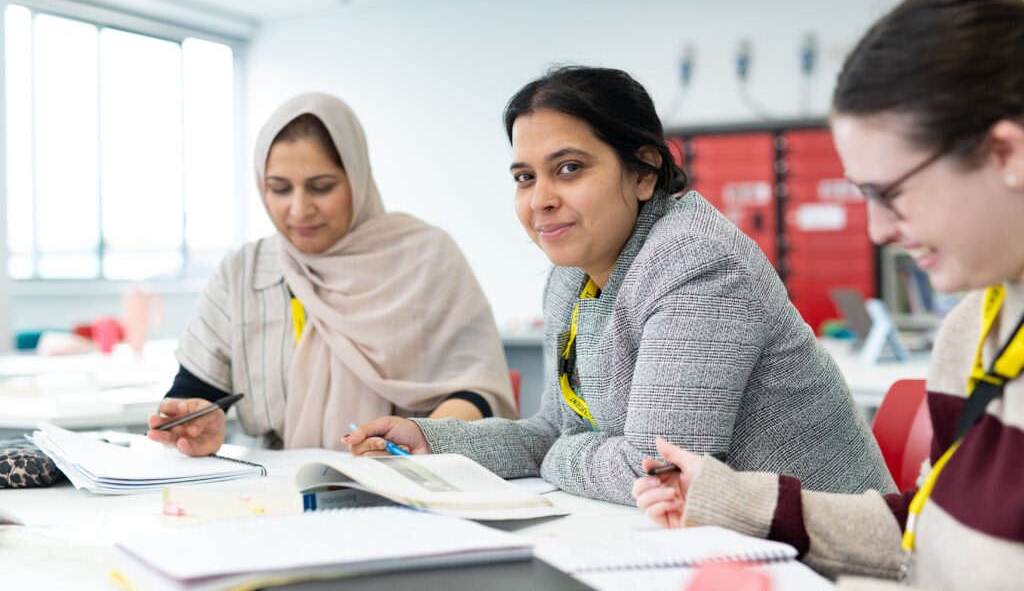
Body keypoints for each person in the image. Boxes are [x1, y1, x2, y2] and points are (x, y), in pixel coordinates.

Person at [345, 66, 893, 505]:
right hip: (701, 544)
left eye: (569, 169)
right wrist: (433, 440)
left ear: (644, 172)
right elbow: (549, 433)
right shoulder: (570, 278)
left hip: (820, 557)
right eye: (524, 176)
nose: (540, 200)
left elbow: (658, 470)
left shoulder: (695, 261)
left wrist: (563, 454)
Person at [633, 0, 1024, 590]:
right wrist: (728, 499)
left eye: (890, 192)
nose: (878, 229)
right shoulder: (973, 330)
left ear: (1005, 153)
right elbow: (926, 531)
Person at [148, 93, 517, 455]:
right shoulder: (242, 272)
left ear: (357, 178)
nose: (299, 209)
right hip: (277, 489)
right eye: (279, 188)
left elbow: (479, 391)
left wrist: (421, 442)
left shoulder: (426, 258)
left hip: (409, 480)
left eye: (321, 187)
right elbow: (195, 391)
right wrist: (193, 423)